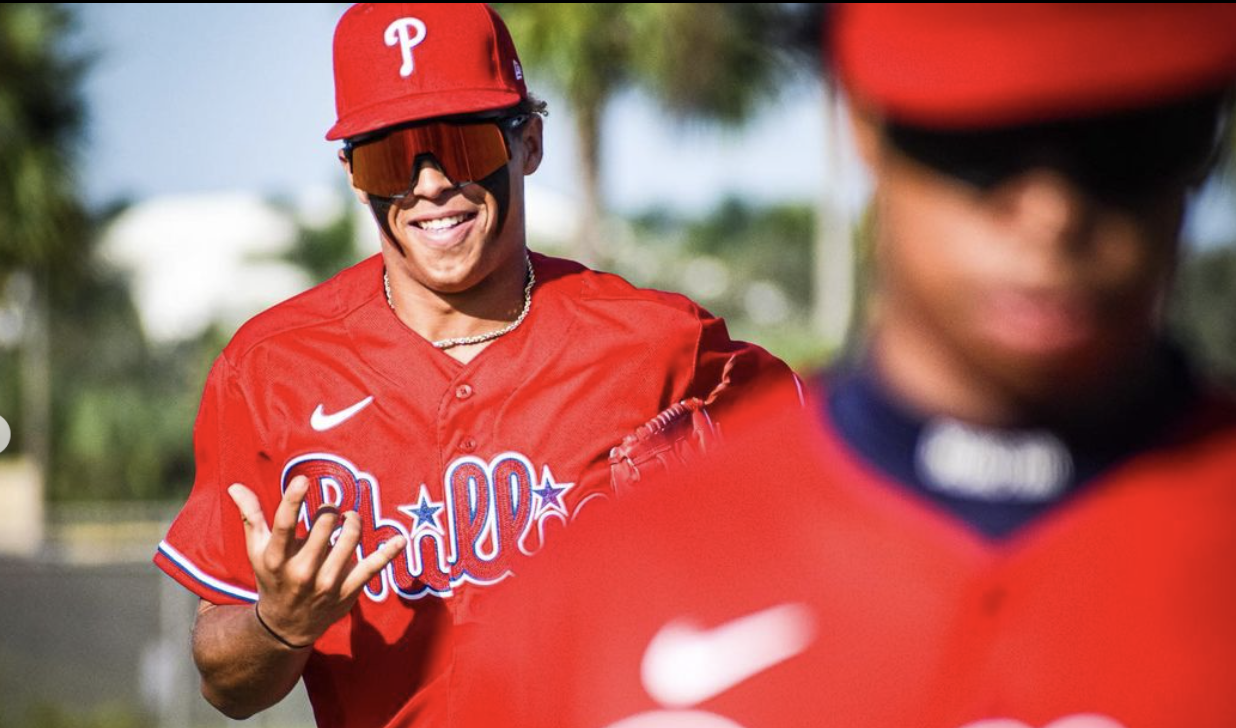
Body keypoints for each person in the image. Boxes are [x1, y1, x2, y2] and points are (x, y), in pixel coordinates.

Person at [453, 5, 1236, 727]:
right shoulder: (597, 592)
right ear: (864, 121)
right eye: (979, 138)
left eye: (1130, 139)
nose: (1052, 213)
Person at [151, 4, 791, 727]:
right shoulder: (271, 367)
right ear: (355, 176)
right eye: (389, 155)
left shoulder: (658, 343)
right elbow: (225, 684)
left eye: (458, 142)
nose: (427, 183)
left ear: (530, 143)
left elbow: (850, 465)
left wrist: (725, 524)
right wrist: (279, 624)